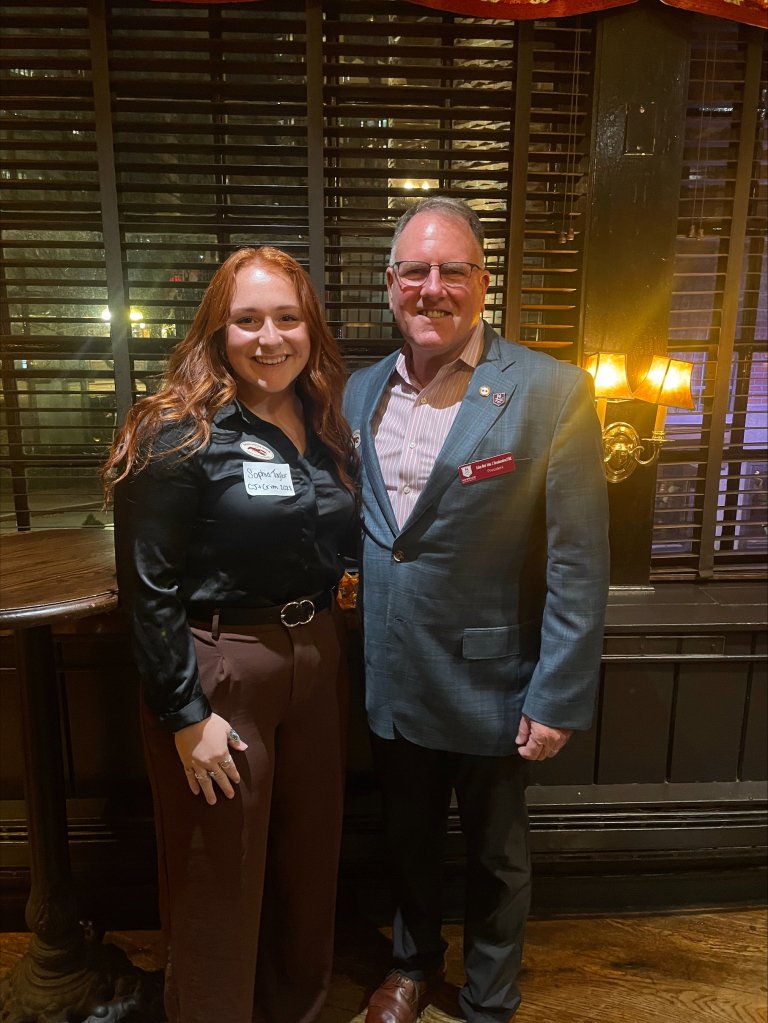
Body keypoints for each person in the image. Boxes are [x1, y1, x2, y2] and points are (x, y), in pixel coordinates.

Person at [342, 197, 610, 1023]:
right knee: (407, 840)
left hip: (495, 678)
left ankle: (491, 998)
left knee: (497, 857)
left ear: (483, 281)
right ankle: (411, 967)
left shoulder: (551, 390)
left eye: (452, 270)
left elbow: (577, 558)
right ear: (390, 283)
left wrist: (556, 694)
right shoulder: (359, 391)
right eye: (415, 271)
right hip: (391, 671)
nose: (433, 287)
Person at [102, 246, 358, 1023]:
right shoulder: (175, 430)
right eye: (248, 320)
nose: (269, 337)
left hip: (315, 657)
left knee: (308, 867)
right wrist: (185, 714)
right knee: (218, 876)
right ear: (218, 330)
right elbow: (147, 586)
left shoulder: (325, 420)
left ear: (310, 328)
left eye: (286, 318)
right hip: (221, 668)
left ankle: (298, 1011)